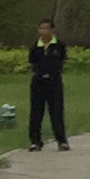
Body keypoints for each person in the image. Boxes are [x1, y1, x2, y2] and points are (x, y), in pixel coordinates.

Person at [26, 18, 70, 151]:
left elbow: (62, 60)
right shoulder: (35, 46)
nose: (43, 31)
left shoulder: (59, 46)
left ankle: (61, 141)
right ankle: (35, 141)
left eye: (46, 28)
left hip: (53, 81)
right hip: (38, 82)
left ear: (52, 30)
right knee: (36, 112)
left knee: (56, 111)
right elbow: (32, 61)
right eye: (41, 28)